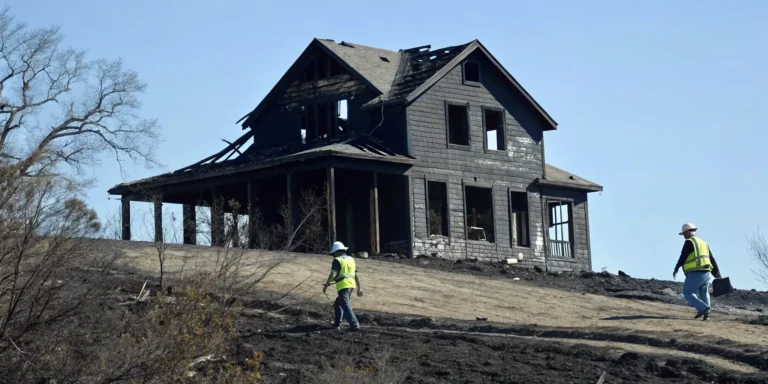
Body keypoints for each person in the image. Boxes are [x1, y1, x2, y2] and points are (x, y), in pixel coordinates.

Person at [673, 223, 721, 320]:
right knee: (704, 292)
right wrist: (716, 273)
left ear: (688, 231)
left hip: (696, 272)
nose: (684, 236)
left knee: (687, 292)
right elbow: (711, 258)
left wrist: (676, 268)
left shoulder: (689, 242)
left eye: (684, 233)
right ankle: (707, 314)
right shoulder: (703, 243)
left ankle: (704, 308)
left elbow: (683, 256)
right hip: (707, 272)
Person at [323, 241, 363, 331]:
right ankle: (337, 324)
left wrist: (326, 284)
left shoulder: (337, 260)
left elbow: (333, 273)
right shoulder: (351, 259)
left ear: (336, 252)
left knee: (345, 304)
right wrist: (359, 288)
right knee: (338, 303)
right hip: (351, 285)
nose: (333, 255)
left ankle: (354, 323)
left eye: (333, 254)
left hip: (343, 286)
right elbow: (356, 275)